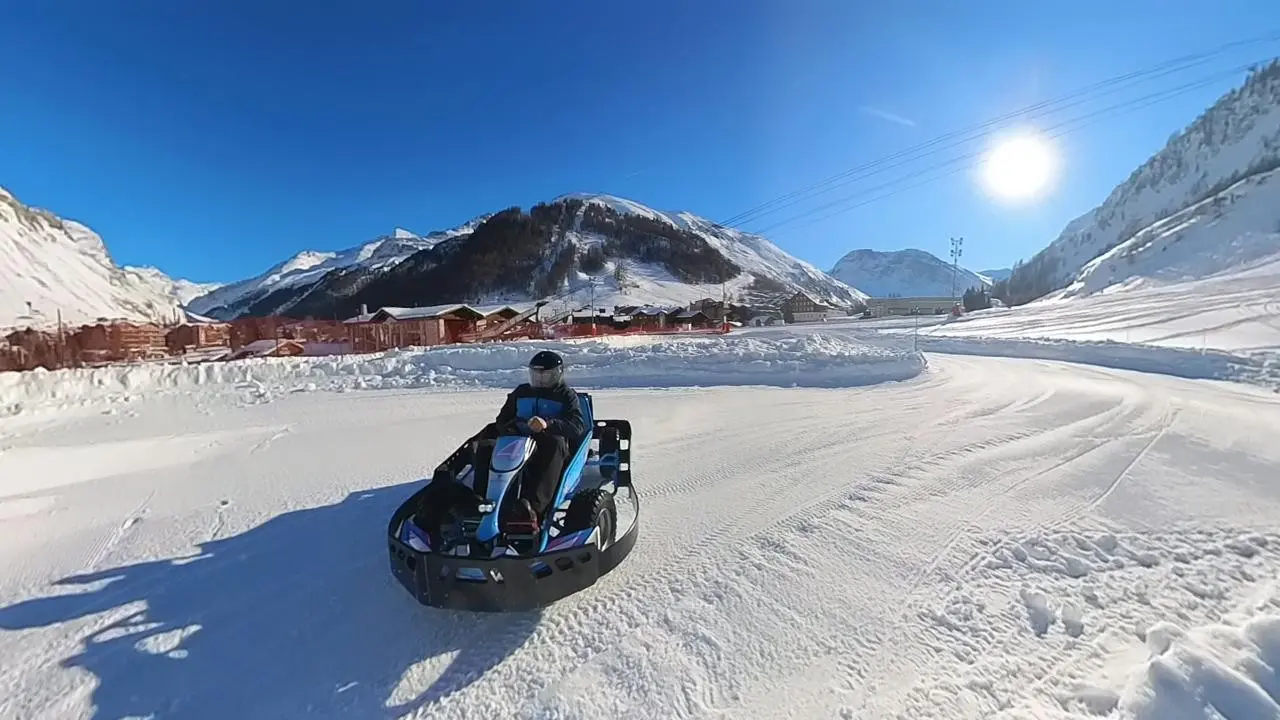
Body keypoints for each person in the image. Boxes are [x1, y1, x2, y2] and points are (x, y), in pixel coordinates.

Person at [418, 350, 585, 537]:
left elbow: (577, 425)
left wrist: (548, 424)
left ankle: (534, 509)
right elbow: (502, 419)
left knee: (554, 446)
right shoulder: (521, 392)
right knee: (486, 447)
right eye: (536, 375)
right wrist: (513, 427)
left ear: (558, 374)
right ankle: (481, 500)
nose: (541, 380)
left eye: (546, 376)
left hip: (549, 441)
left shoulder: (566, 395)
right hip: (518, 440)